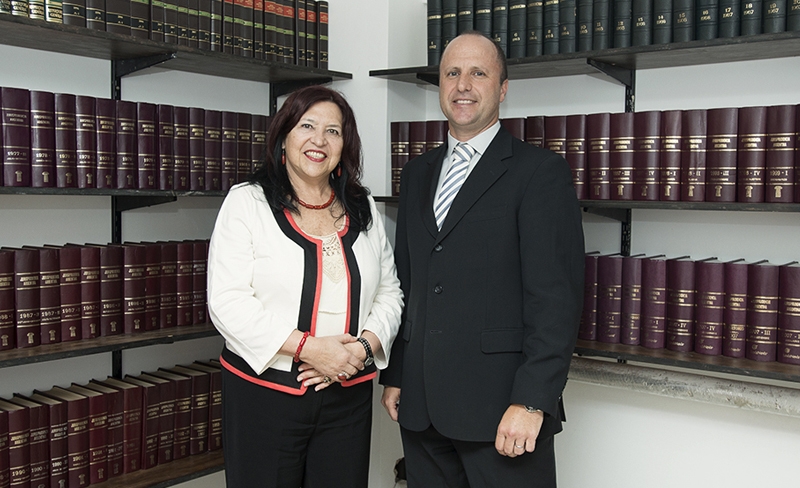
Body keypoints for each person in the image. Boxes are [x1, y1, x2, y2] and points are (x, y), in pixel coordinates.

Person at [380, 31, 585, 488]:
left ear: (503, 88)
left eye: (478, 73)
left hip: (503, 413)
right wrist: (397, 374)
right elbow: (407, 281)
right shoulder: (417, 173)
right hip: (422, 410)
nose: (463, 85)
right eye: (452, 73)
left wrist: (533, 401)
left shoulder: (539, 173)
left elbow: (556, 300)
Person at [208, 85, 403, 488]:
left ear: (343, 145)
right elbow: (227, 302)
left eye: (333, 131)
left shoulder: (360, 207)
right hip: (265, 395)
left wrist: (362, 348)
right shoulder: (247, 203)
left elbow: (390, 291)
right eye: (307, 125)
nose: (319, 139)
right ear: (284, 137)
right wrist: (311, 349)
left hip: (348, 397)